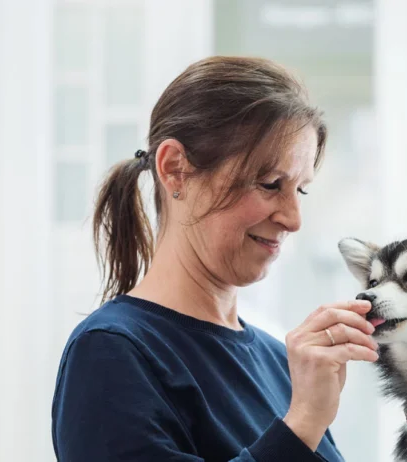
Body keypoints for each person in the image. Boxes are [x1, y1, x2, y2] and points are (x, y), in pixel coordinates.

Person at [50, 56, 379, 462]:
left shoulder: (282, 364)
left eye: (301, 190)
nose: (293, 219)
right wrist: (303, 424)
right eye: (270, 183)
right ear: (175, 170)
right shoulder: (112, 353)